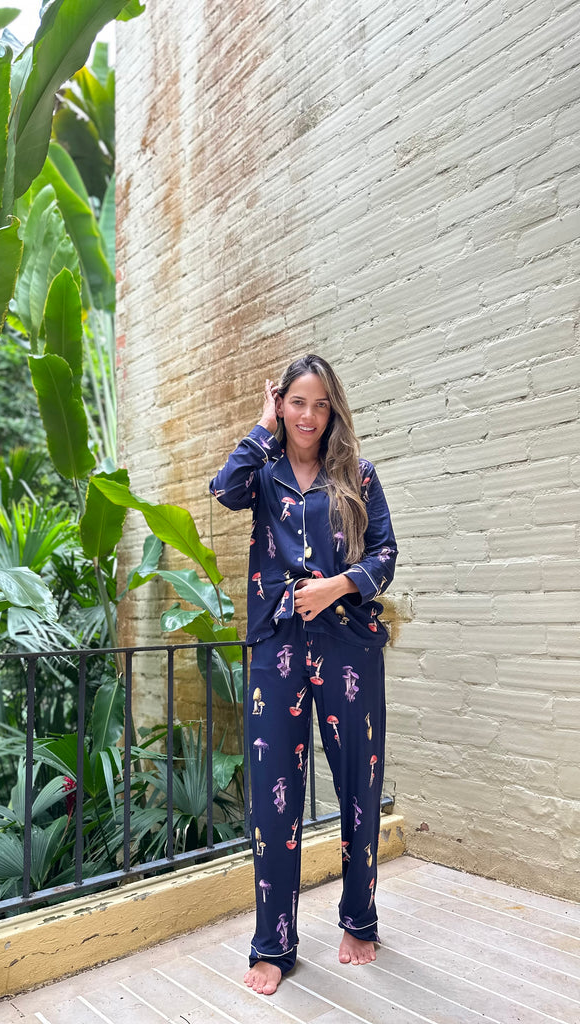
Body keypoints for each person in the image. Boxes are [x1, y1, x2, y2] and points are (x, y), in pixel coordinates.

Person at [209, 354, 397, 995]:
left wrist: (338, 586)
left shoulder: (358, 475)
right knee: (273, 795)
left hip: (347, 642)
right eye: (296, 403)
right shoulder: (262, 473)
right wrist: (262, 426)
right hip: (277, 643)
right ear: (281, 404)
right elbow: (222, 489)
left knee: (358, 782)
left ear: (333, 409)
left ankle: (359, 920)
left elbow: (386, 554)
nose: (309, 416)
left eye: (320, 404)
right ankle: (273, 944)